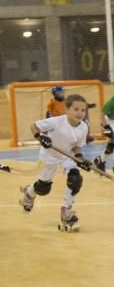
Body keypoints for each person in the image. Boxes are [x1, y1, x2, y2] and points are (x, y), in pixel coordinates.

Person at [19, 93, 92, 231]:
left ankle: (66, 211)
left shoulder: (83, 127)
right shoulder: (57, 121)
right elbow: (34, 126)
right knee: (43, 188)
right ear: (67, 109)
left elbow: (77, 146)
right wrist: (40, 136)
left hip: (67, 156)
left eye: (83, 110)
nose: (80, 113)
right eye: (76, 109)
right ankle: (29, 193)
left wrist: (80, 158)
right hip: (49, 155)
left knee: (75, 180)